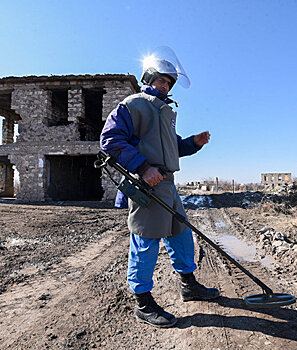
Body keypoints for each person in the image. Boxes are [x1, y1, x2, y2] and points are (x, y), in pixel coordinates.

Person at [100, 53, 220, 328]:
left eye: (169, 83)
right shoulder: (134, 105)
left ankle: (189, 285)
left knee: (181, 234)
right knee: (146, 241)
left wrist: (194, 142)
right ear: (149, 78)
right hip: (147, 184)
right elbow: (110, 140)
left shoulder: (164, 111)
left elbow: (172, 147)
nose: (166, 86)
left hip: (167, 185)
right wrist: (143, 168)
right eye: (162, 81)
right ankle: (143, 303)